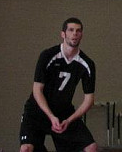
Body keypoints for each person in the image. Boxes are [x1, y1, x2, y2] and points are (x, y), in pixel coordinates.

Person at [19, 17, 97, 152]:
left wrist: (69, 120)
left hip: (63, 112)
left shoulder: (87, 64)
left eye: (78, 31)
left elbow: (89, 100)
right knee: (26, 148)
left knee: (91, 147)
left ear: (81, 35)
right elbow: (37, 90)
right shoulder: (48, 55)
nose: (74, 34)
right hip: (37, 111)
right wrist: (50, 116)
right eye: (71, 30)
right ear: (63, 34)